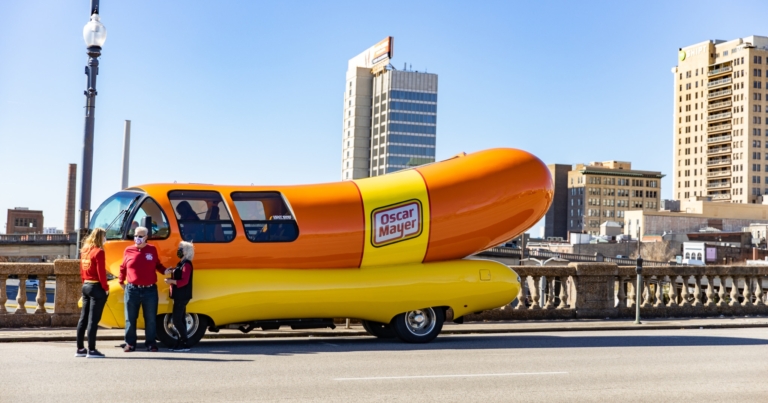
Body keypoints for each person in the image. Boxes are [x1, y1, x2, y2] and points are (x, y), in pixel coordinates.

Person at [119, 226, 166, 352]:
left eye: (140, 236)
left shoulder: (152, 249)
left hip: (150, 290)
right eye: (135, 235)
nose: (137, 238)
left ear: (146, 237)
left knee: (150, 319)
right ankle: (130, 344)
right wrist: (121, 282)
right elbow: (123, 267)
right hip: (132, 290)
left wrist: (165, 271)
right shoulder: (128, 250)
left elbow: (158, 265)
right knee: (130, 318)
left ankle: (151, 343)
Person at [75, 228, 109, 358]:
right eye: (104, 237)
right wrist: (106, 288)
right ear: (101, 237)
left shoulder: (85, 251)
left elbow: (82, 271)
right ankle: (92, 350)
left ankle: (80, 349)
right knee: (93, 320)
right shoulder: (99, 252)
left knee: (83, 318)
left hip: (86, 285)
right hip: (96, 287)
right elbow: (101, 273)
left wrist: (84, 283)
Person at [164, 241, 194, 351]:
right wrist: (173, 271)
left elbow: (184, 281)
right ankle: (181, 341)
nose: (178, 250)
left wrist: (170, 281)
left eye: (180, 248)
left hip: (182, 295)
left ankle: (185, 342)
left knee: (177, 320)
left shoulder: (186, 264)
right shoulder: (181, 263)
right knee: (180, 319)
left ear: (186, 251)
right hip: (179, 295)